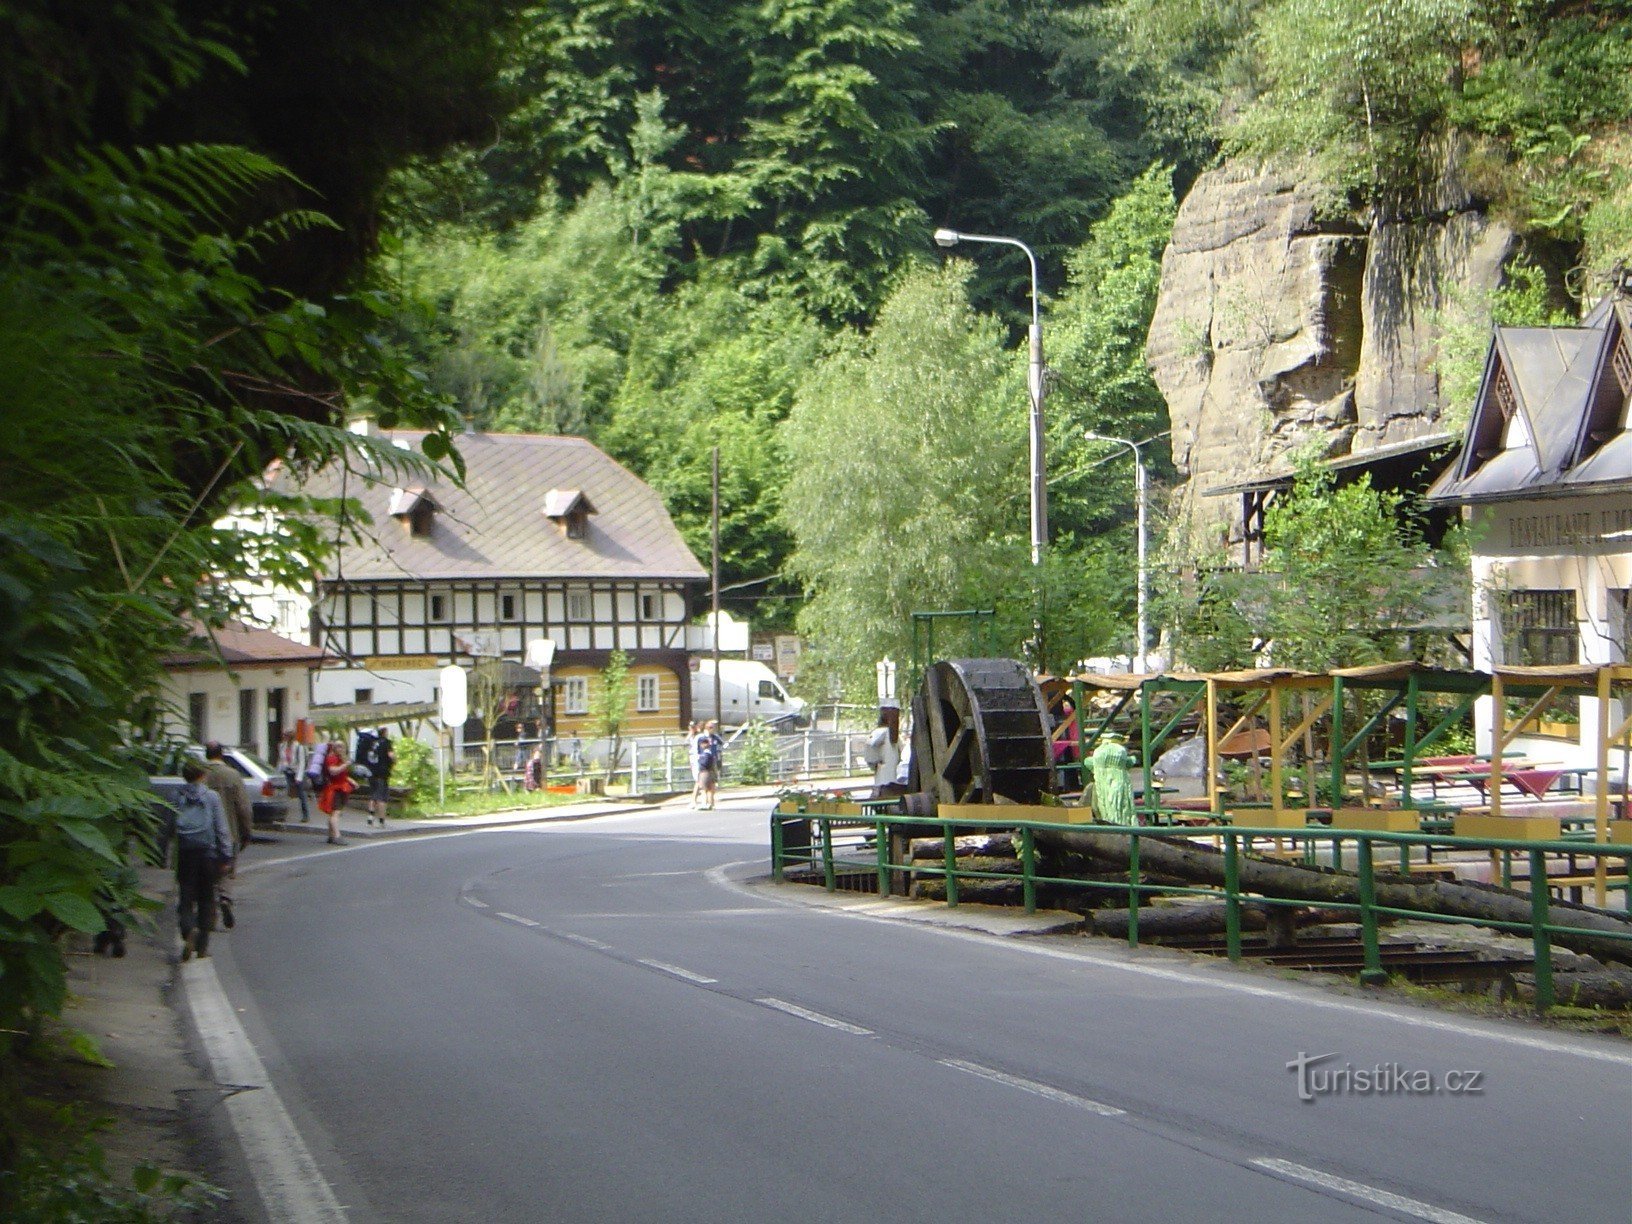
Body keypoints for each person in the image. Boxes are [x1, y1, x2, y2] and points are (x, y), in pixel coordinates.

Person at [170, 759, 234, 960]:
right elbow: (221, 829)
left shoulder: (176, 796)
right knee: (207, 898)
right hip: (208, 854)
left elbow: (168, 827)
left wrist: (162, 852)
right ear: (202, 775)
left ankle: (188, 930)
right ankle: (202, 945)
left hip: (186, 853)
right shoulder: (212, 797)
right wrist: (226, 856)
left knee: (186, 897)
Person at [202, 741, 252, 929]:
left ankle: (210, 914)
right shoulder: (232, 775)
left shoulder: (200, 775)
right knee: (226, 871)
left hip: (204, 834)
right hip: (229, 832)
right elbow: (244, 807)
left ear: (206, 755)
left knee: (206, 875)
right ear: (221, 755)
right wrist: (246, 831)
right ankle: (225, 898)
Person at [315, 740, 354, 844]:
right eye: (339, 746)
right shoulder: (332, 758)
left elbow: (342, 775)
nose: (341, 749)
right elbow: (333, 771)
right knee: (336, 813)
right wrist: (345, 765)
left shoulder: (339, 759)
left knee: (334, 813)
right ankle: (337, 836)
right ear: (334, 748)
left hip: (340, 788)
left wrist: (351, 781)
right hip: (334, 789)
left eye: (342, 746)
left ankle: (331, 835)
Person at [862, 701, 902, 799]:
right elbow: (870, 750)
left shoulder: (890, 735)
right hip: (884, 776)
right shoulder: (881, 733)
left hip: (890, 776)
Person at [361, 726, 395, 826]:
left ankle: (370, 817)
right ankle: (381, 820)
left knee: (373, 795)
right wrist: (394, 762)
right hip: (382, 773)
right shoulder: (386, 742)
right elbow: (391, 755)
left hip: (371, 773)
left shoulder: (372, 743)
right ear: (384, 733)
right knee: (382, 797)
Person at [278, 728, 311, 823]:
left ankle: (305, 815)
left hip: (296, 771)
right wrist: (278, 772)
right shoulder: (282, 746)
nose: (283, 737)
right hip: (286, 771)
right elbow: (281, 760)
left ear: (290, 737)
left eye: (285, 735)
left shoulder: (298, 747)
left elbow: (301, 762)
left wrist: (299, 777)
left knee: (301, 794)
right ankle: (281, 815)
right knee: (284, 792)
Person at [694, 720, 723, 810]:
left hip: (712, 762)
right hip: (703, 763)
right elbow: (696, 750)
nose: (713, 729)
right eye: (711, 727)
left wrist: (718, 756)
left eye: (713, 727)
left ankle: (710, 803)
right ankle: (696, 801)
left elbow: (722, 744)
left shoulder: (715, 737)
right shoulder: (701, 737)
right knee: (700, 784)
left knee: (711, 785)